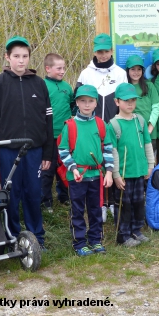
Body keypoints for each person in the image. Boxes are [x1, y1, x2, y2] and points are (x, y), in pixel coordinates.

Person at [0, 36, 53, 250]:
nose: (21, 61)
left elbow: (48, 121)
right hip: (8, 151)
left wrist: (48, 153)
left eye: (25, 56)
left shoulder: (39, 84)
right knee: (11, 194)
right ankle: (12, 237)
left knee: (33, 193)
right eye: (16, 56)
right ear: (7, 57)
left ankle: (36, 238)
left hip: (35, 150)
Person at [76, 33, 127, 219]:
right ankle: (101, 204)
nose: (103, 55)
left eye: (106, 51)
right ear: (94, 51)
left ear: (111, 51)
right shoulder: (86, 73)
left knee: (112, 162)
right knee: (97, 164)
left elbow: (124, 99)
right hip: (92, 126)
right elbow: (78, 101)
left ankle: (113, 202)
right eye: (99, 51)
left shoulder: (120, 73)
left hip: (114, 125)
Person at [58, 85, 114, 256]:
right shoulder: (70, 125)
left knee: (96, 209)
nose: (87, 105)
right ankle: (80, 242)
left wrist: (109, 172)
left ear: (96, 103)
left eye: (90, 101)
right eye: (83, 101)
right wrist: (73, 168)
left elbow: (108, 149)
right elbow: (63, 150)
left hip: (97, 175)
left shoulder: (101, 124)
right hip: (78, 177)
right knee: (78, 210)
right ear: (77, 103)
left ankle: (96, 240)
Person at [108, 83, 155, 247]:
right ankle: (123, 235)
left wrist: (150, 165)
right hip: (124, 174)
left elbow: (147, 143)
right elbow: (112, 151)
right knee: (124, 205)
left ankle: (136, 230)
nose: (130, 104)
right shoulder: (113, 124)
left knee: (138, 202)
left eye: (133, 100)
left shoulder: (140, 120)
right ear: (117, 102)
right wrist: (116, 174)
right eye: (126, 100)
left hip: (139, 171)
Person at [41, 53, 73, 212]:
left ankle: (64, 196)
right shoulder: (42, 86)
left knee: (66, 166)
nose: (62, 71)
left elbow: (72, 106)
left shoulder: (67, 87)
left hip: (66, 136)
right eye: (58, 68)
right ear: (48, 68)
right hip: (49, 137)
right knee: (48, 168)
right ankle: (46, 200)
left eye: (63, 68)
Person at [125, 54, 159, 152]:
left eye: (139, 69)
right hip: (131, 133)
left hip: (150, 133)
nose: (136, 72)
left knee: (149, 163)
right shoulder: (124, 87)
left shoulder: (149, 86)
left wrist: (149, 128)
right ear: (127, 70)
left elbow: (156, 108)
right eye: (133, 69)